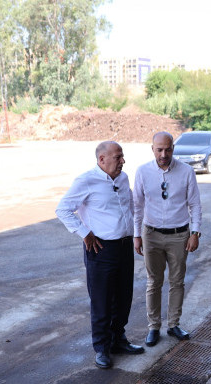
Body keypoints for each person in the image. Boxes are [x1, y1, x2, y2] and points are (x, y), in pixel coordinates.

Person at [55, 141, 144, 369]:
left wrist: (136, 234)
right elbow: (63, 208)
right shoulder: (86, 180)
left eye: (122, 156)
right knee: (102, 301)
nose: (123, 161)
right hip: (100, 248)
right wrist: (84, 233)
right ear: (102, 160)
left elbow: (130, 209)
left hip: (123, 247)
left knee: (123, 298)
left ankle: (118, 339)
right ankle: (102, 348)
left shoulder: (123, 179)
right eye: (118, 157)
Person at [133, 131, 202, 347]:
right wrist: (136, 235)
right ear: (152, 149)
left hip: (179, 235)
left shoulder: (186, 171)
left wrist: (195, 233)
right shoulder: (143, 172)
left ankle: (173, 324)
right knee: (154, 282)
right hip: (151, 234)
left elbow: (195, 204)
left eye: (168, 149)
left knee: (177, 281)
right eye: (159, 149)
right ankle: (154, 327)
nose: (164, 153)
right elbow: (137, 206)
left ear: (173, 148)